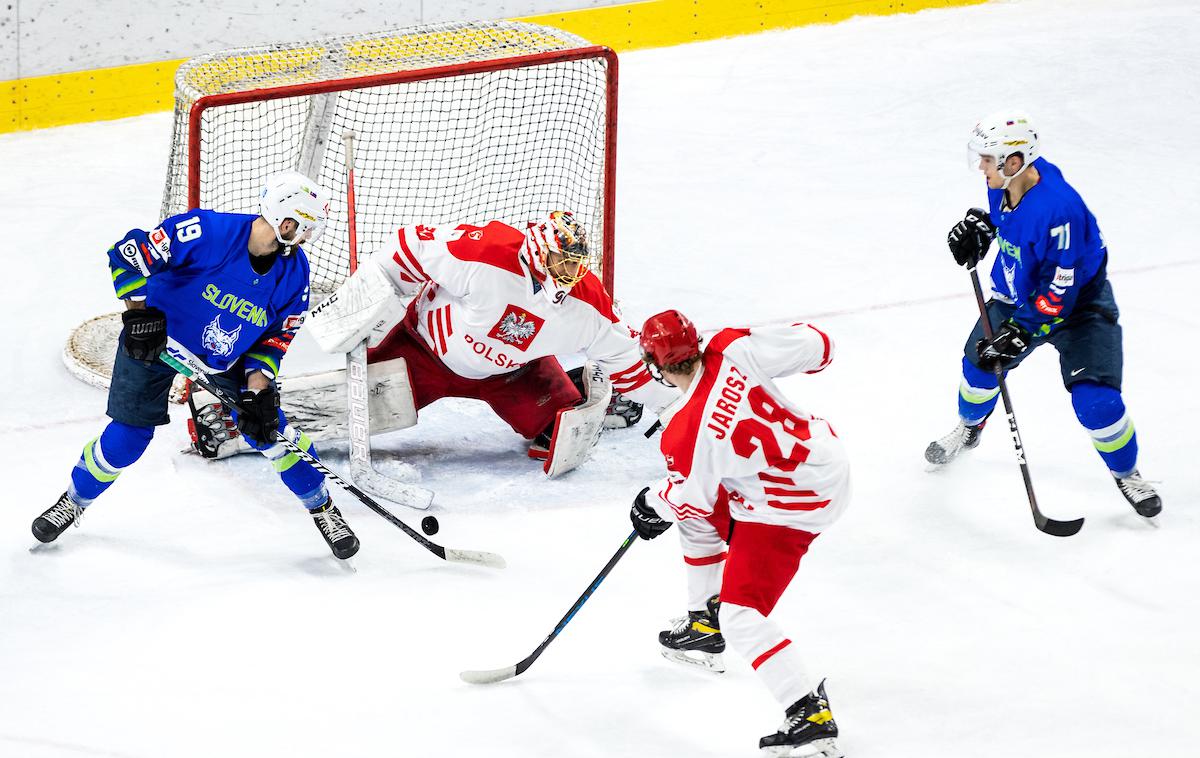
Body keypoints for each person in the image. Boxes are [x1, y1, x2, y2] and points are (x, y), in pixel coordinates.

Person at [32, 172, 361, 560]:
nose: (306, 238)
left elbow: (275, 339)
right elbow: (129, 254)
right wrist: (138, 317)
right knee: (128, 437)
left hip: (227, 358)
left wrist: (258, 389)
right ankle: (73, 501)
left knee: (273, 433)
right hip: (155, 340)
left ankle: (323, 507)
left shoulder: (295, 275)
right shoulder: (206, 231)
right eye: (306, 228)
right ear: (288, 222)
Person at [629, 310, 849, 758]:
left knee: (743, 615)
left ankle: (808, 712)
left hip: (791, 506)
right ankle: (702, 623)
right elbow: (819, 346)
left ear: (657, 366)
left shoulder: (684, 435)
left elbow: (688, 497)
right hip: (823, 462)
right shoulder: (731, 346)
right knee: (695, 516)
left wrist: (650, 505)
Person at [305, 211, 676, 471]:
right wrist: (363, 301)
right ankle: (252, 422)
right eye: (562, 262)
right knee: (336, 412)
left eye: (576, 264)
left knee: (559, 432)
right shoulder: (486, 252)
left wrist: (675, 408)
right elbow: (409, 247)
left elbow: (629, 361)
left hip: (513, 375)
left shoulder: (587, 301)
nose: (570, 273)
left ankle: (581, 386)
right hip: (420, 353)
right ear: (539, 250)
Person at [926, 112, 1161, 518]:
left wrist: (1020, 330)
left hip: (1079, 306)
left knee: (1097, 403)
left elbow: (1060, 290)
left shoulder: (1060, 209)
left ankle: (1127, 472)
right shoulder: (1004, 182)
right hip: (1020, 291)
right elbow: (1014, 224)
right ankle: (970, 428)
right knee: (979, 366)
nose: (981, 167)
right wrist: (986, 229)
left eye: (988, 159)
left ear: (1013, 161)